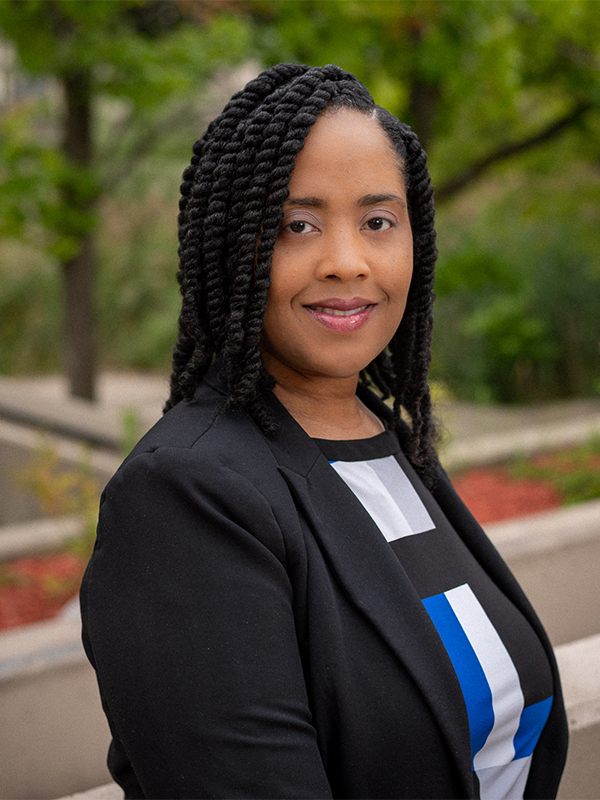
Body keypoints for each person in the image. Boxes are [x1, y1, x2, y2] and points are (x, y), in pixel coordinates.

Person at [80, 64, 568, 800]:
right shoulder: (183, 495)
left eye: (378, 221)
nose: (347, 262)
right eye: (295, 225)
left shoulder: (386, 439)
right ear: (230, 247)